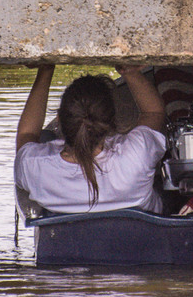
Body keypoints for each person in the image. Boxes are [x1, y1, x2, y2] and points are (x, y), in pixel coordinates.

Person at [14, 64, 167, 214]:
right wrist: (129, 70)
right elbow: (154, 113)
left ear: (59, 119)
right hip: (145, 237)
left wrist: (46, 69)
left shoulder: (34, 165)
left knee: (45, 136)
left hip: (67, 239)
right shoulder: (136, 155)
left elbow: (26, 134)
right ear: (112, 121)